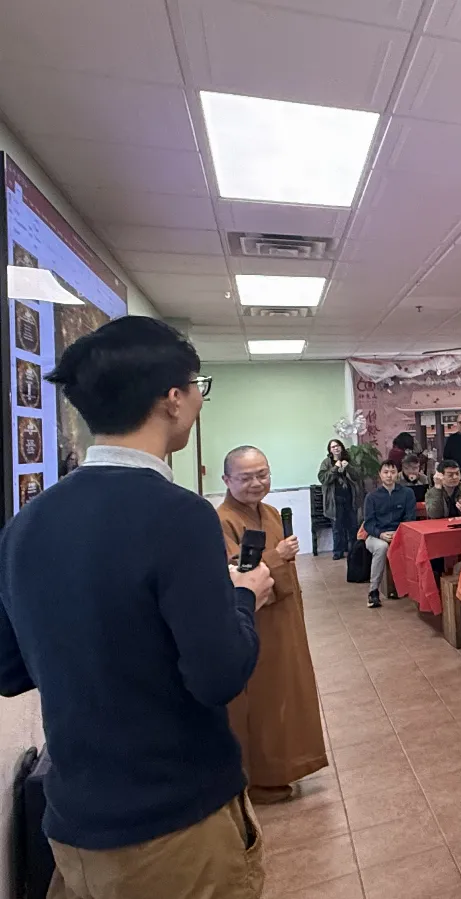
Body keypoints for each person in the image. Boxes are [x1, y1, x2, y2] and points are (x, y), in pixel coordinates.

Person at [0, 316, 272, 898]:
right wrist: (242, 598)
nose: (199, 397)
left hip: (73, 823)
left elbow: (10, 667)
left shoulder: (27, 523)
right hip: (172, 826)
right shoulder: (178, 515)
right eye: (198, 385)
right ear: (173, 399)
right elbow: (219, 675)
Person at [219, 447, 327, 806]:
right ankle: (259, 778)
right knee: (261, 700)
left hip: (284, 617)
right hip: (255, 621)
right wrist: (277, 556)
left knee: (288, 692)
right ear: (227, 481)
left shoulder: (269, 513)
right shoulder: (222, 521)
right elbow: (236, 574)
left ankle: (286, 767)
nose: (256, 483)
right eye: (246, 477)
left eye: (262, 474)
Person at [363, 459, 416, 608]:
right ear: (380, 475)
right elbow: (368, 523)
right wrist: (380, 534)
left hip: (400, 533)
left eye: (393, 472)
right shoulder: (371, 497)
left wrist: (399, 533)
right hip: (376, 535)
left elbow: (410, 518)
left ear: (397, 474)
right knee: (381, 548)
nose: (389, 475)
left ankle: (414, 589)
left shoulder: (407, 493)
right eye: (385, 472)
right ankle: (373, 592)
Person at [318, 439, 362, 560]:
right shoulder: (326, 463)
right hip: (334, 500)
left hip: (349, 498)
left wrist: (349, 468)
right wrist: (335, 468)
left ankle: (352, 550)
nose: (336, 448)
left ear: (341, 447)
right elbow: (323, 479)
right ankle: (338, 552)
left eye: (337, 446)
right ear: (330, 450)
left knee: (352, 526)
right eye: (333, 447)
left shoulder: (349, 461)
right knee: (337, 528)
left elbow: (357, 476)